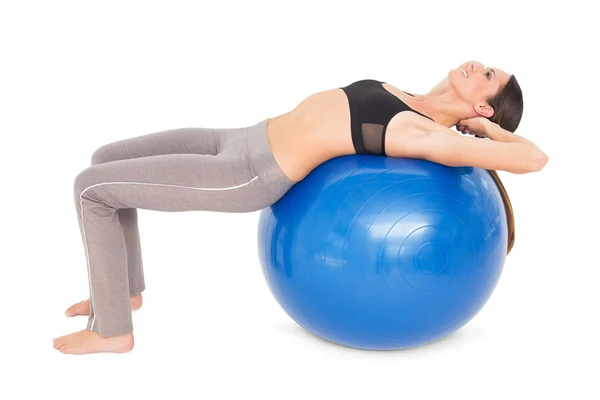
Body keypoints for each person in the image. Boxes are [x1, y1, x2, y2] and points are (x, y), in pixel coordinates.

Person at [53, 60, 548, 355]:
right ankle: (124, 292)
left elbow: (533, 158)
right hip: (239, 137)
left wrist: (487, 132)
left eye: (487, 76)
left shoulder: (423, 135)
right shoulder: (409, 97)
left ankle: (113, 331)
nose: (477, 65)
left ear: (483, 107)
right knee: (104, 162)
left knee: (89, 189)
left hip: (249, 174)